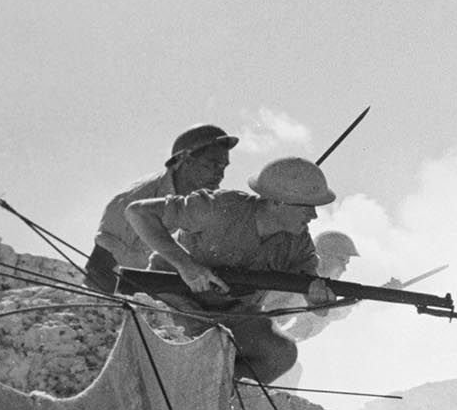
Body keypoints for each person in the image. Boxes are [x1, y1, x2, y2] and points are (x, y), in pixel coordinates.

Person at [123, 156, 336, 382]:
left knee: (280, 354)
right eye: (306, 207)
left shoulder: (298, 243)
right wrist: (187, 266)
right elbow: (138, 213)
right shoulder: (220, 207)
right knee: (181, 343)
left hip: (231, 316)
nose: (313, 216)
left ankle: (213, 392)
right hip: (174, 301)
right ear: (277, 203)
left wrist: (320, 299)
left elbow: (315, 298)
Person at [84, 124, 239, 293]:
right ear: (185, 160)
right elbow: (100, 270)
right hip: (129, 298)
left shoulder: (211, 203)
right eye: (213, 165)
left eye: (224, 167)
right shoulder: (132, 200)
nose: (220, 174)